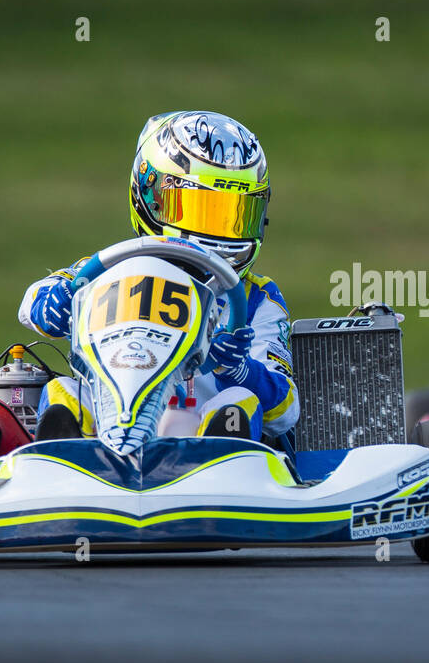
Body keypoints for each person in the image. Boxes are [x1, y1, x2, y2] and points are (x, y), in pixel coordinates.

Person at [17, 111, 299, 442]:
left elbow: (287, 409)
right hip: (110, 432)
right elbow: (34, 300)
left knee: (238, 403)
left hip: (210, 453)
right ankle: (64, 464)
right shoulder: (107, 272)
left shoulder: (257, 299)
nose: (217, 232)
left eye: (233, 216)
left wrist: (239, 370)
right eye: (200, 208)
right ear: (150, 196)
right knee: (63, 392)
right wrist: (53, 301)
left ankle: (213, 453)